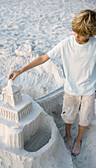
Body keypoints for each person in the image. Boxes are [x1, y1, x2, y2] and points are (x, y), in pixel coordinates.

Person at [8, 9, 96, 156]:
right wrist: (20, 70)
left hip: (89, 91)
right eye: (74, 31)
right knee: (68, 116)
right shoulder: (66, 44)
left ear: (90, 34)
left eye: (80, 34)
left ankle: (78, 140)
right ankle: (68, 136)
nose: (76, 36)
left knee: (85, 118)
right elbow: (43, 58)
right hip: (71, 90)